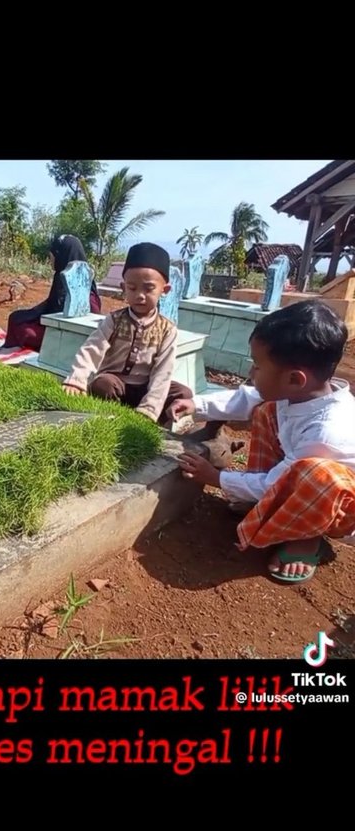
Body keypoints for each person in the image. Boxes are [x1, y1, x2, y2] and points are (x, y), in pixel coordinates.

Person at [166, 299, 355, 584]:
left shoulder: (327, 431)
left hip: (340, 510)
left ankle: (306, 539)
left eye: (257, 366)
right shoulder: (300, 395)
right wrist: (197, 404)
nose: (252, 374)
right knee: (266, 410)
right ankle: (263, 503)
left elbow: (276, 483)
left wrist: (216, 477)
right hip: (298, 482)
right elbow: (248, 398)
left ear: (295, 379)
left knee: (317, 474)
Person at [62, 242, 192, 425]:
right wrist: (77, 379)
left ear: (165, 290)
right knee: (103, 384)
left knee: (183, 394)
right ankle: (108, 421)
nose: (140, 295)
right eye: (132, 288)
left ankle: (150, 426)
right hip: (116, 384)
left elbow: (163, 371)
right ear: (123, 288)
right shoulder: (114, 320)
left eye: (148, 289)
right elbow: (92, 348)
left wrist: (150, 408)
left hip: (145, 388)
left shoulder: (167, 329)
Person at [3, 234, 102, 350]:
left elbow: (87, 319)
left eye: (52, 257)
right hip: (54, 325)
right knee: (17, 317)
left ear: (61, 256)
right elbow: (52, 304)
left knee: (24, 330)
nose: (50, 260)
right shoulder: (60, 276)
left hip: (67, 335)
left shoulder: (85, 290)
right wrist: (33, 313)